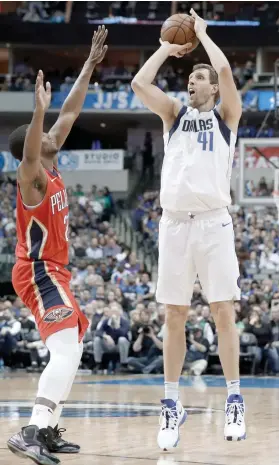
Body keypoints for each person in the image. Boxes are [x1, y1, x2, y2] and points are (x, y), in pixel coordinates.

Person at [132, 9, 245, 450]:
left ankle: (234, 398)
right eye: (190, 78)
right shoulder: (174, 114)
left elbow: (223, 68)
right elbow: (141, 85)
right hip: (175, 226)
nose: (191, 82)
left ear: (212, 89)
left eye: (198, 79)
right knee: (173, 315)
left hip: (214, 223)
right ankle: (171, 402)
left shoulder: (226, 116)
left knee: (222, 311)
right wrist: (166, 47)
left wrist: (202, 34)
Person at [7, 26, 108, 465]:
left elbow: (70, 111)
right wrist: (35, 111)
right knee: (66, 349)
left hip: (53, 270)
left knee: (75, 347)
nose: (51, 130)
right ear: (32, 145)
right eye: (43, 131)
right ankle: (31, 430)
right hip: (39, 269)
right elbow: (31, 149)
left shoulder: (52, 157)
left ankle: (45, 432)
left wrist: (88, 64)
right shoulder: (32, 178)